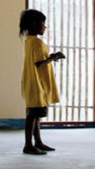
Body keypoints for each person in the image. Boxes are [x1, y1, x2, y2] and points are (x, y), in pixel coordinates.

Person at [19, 9, 65, 155]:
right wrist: (54, 57)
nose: (44, 27)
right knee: (32, 116)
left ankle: (37, 142)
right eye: (43, 23)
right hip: (37, 84)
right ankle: (28, 145)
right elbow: (39, 63)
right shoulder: (38, 43)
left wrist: (50, 57)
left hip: (31, 82)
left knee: (35, 114)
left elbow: (37, 61)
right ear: (34, 24)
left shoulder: (29, 41)